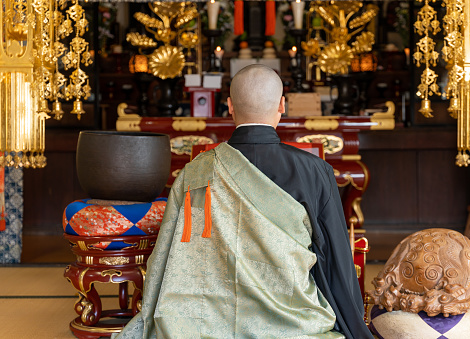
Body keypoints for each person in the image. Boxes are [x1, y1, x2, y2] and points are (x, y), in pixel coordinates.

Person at [115, 65, 373, 339]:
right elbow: (336, 262)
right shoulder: (315, 171)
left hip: (202, 324)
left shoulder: (196, 171)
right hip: (293, 322)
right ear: (282, 105)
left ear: (229, 106)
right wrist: (356, 328)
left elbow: (164, 254)